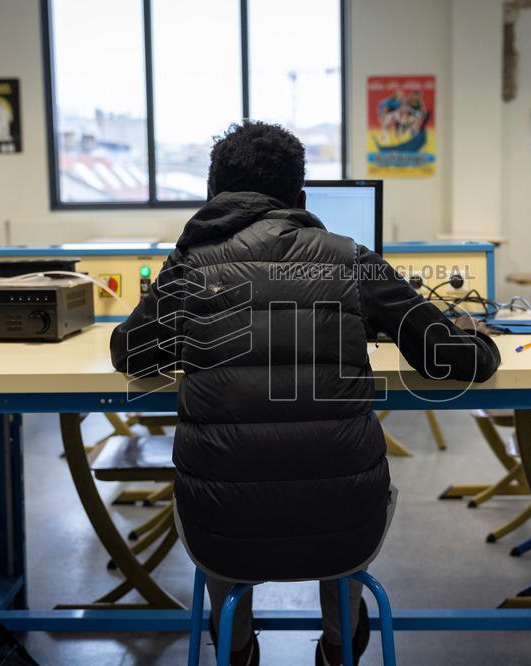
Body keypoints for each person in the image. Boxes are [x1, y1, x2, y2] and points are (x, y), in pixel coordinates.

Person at [109, 121, 501, 666]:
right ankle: (339, 646)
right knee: (333, 493)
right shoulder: (351, 258)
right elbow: (449, 358)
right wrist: (480, 343)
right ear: (299, 198)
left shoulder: (188, 267)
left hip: (219, 527)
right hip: (347, 525)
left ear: (213, 196)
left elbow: (130, 355)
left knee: (225, 497)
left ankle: (236, 647)